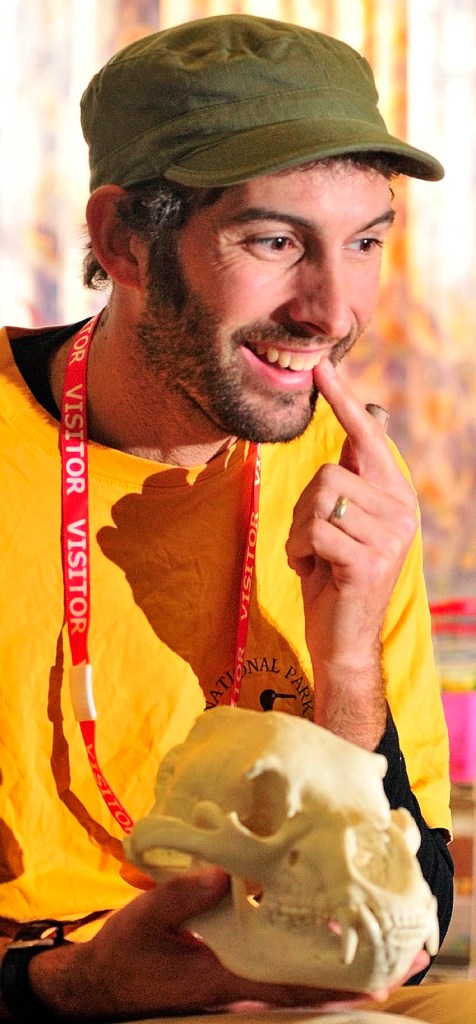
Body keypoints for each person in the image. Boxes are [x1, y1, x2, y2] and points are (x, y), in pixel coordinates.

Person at [0, 12, 474, 1022]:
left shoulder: (346, 482)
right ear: (124, 238)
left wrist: (345, 662)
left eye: (363, 242)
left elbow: (408, 924)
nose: (332, 309)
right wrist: (68, 986)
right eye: (272, 240)